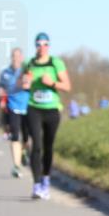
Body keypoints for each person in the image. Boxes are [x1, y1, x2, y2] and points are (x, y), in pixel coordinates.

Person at [22, 32, 71, 200]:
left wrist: (52, 83)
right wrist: (25, 83)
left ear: (49, 46)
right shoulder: (29, 63)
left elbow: (67, 86)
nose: (41, 47)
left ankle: (46, 181)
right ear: (35, 46)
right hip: (34, 107)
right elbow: (22, 82)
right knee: (36, 145)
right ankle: (36, 185)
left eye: (45, 44)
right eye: (38, 44)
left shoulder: (55, 63)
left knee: (48, 146)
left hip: (51, 109)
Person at [0, 48, 31, 177]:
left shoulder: (27, 71)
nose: (15, 58)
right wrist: (0, 91)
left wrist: (28, 84)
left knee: (27, 137)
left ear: (22, 57)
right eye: (13, 56)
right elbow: (0, 85)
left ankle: (24, 151)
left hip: (27, 106)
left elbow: (32, 85)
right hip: (12, 106)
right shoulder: (5, 73)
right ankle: (16, 166)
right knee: (15, 136)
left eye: (18, 56)